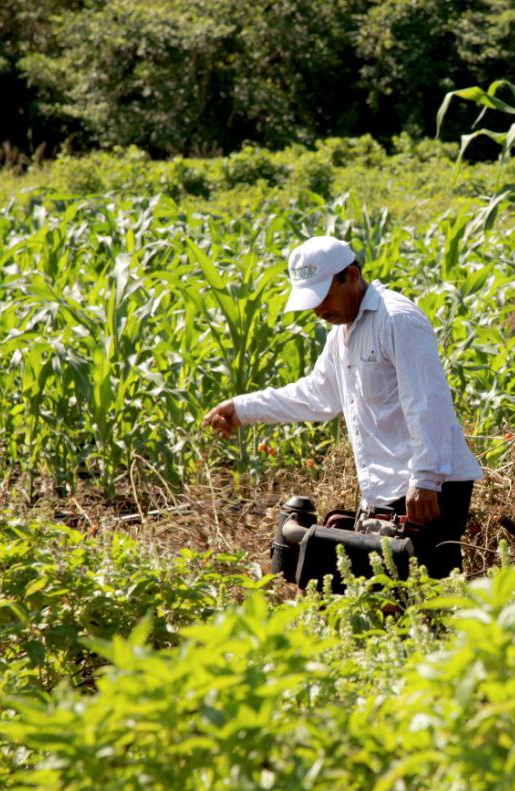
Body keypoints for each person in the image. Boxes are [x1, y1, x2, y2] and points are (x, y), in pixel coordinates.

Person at [202, 235, 482, 577]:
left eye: (322, 297)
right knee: (388, 600)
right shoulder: (341, 334)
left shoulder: (397, 320)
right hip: (390, 491)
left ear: (350, 275)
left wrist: (425, 478)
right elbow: (317, 395)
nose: (318, 311)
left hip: (428, 490)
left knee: (426, 598)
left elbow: (427, 399)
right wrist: (242, 409)